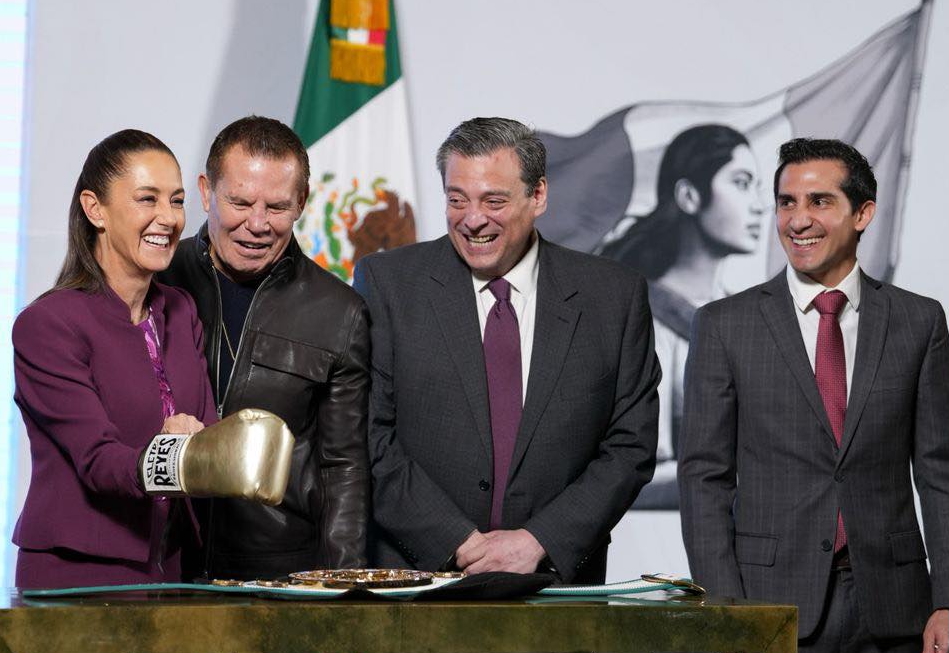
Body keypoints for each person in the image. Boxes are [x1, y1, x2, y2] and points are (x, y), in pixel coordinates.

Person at [354, 117, 660, 583]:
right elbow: (369, 436)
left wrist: (539, 540)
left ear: (537, 195)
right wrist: (456, 541)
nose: (473, 219)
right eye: (457, 200)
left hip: (556, 585)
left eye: (493, 200)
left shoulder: (613, 297)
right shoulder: (389, 284)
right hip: (417, 582)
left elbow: (630, 446)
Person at [679, 138, 949, 652]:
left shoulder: (919, 321)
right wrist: (725, 610)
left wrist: (948, 599)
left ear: (863, 212)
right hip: (770, 607)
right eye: (786, 203)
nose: (797, 220)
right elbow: (703, 478)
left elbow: (940, 471)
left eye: (819, 201)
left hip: (898, 607)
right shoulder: (723, 326)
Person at [160, 116, 370, 580]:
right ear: (205, 192)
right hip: (158, 560)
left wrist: (343, 590)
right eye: (239, 201)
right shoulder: (154, 281)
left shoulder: (341, 311)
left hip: (277, 572)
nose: (256, 224)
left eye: (276, 207)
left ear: (301, 203)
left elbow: (344, 468)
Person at [12, 130, 213, 587]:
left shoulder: (180, 312)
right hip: (79, 575)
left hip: (171, 569)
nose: (168, 218)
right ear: (94, 208)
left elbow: (210, 432)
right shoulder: (47, 325)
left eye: (177, 201)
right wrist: (178, 450)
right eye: (148, 199)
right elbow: (100, 462)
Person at [598, 124, 764, 509]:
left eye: (758, 186)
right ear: (689, 196)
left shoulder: (751, 317)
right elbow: (631, 476)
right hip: (668, 549)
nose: (759, 204)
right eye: (741, 183)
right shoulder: (644, 321)